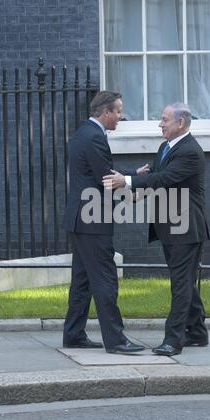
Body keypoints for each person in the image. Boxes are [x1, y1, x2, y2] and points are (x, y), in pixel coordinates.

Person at [103, 103, 210, 356]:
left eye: (164, 119)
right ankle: (197, 333)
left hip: (186, 230)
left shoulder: (190, 152)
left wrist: (126, 180)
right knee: (184, 282)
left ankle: (173, 341)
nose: (160, 124)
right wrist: (132, 195)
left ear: (181, 123)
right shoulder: (166, 148)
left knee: (181, 285)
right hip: (170, 228)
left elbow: (163, 178)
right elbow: (156, 180)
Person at [63, 91, 149, 353]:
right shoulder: (96, 137)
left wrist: (133, 173)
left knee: (82, 280)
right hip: (93, 222)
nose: (120, 116)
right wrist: (131, 195)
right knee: (105, 280)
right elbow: (105, 178)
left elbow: (96, 171)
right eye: (118, 111)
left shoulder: (83, 133)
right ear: (104, 112)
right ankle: (116, 340)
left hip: (79, 220)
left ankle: (74, 334)